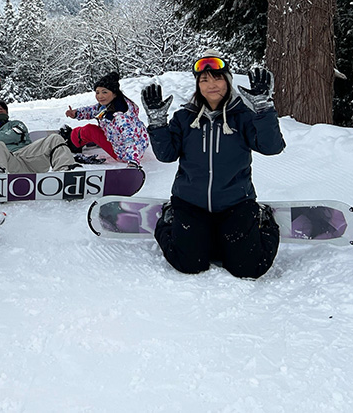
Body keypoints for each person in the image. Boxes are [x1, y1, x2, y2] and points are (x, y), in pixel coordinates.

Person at [140, 50, 284, 279]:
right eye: (204, 80)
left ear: (227, 80)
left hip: (236, 202)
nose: (211, 85)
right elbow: (166, 155)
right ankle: (169, 218)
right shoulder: (185, 118)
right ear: (198, 85)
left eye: (217, 77)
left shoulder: (243, 116)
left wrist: (264, 108)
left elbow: (272, 147)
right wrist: (157, 122)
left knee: (249, 267)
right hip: (190, 203)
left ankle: (263, 219)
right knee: (189, 263)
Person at [60, 72, 149, 164]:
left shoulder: (120, 116)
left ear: (114, 93)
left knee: (89, 130)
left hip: (124, 153)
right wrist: (76, 113)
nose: (100, 96)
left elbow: (130, 138)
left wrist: (132, 160)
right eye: (97, 92)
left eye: (104, 92)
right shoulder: (116, 103)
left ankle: (72, 143)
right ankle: (86, 139)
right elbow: (92, 110)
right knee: (97, 129)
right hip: (138, 143)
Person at [0, 99, 77, 173]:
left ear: (6, 113)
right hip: (9, 164)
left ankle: (66, 172)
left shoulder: (16, 124)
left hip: (29, 157)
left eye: (0, 110)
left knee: (55, 138)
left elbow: (14, 135)